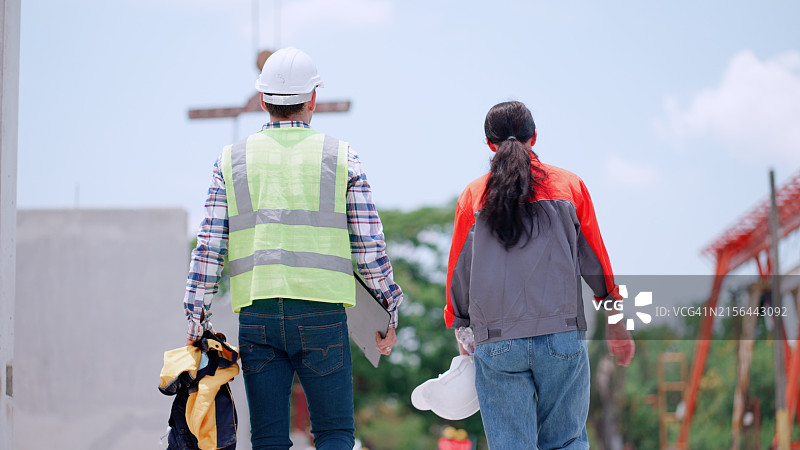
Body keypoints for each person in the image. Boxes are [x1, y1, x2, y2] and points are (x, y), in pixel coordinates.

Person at [183, 46, 403, 450]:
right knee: (334, 433)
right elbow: (369, 247)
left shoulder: (230, 160)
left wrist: (196, 315)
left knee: (267, 437)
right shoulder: (342, 157)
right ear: (313, 99)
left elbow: (210, 245)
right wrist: (388, 308)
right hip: (322, 313)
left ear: (263, 100)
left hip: (257, 314)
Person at [444, 101, 634, 449]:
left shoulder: (473, 196)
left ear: (489, 144)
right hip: (561, 336)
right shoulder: (569, 186)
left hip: (497, 341)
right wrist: (617, 322)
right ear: (535, 137)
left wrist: (462, 326)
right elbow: (596, 262)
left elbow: (459, 270)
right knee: (567, 441)